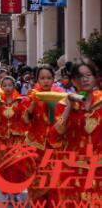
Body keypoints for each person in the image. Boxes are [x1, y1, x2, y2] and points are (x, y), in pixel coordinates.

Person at [50, 59, 102, 203]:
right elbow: (54, 137)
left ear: (95, 77)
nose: (85, 79)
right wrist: (69, 108)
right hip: (72, 168)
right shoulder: (64, 105)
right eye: (80, 76)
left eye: (88, 75)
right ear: (73, 81)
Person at [23, 65, 63, 202]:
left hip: (55, 146)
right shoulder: (31, 95)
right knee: (36, 179)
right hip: (36, 145)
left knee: (54, 180)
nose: (46, 81)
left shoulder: (61, 97)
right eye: (42, 78)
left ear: (53, 79)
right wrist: (33, 103)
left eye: (49, 78)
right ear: (37, 80)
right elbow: (25, 120)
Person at [0, 76, 29, 201]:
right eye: (5, 85)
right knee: (4, 164)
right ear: (1, 87)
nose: (7, 88)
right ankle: (6, 190)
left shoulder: (20, 101)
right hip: (1, 138)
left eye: (10, 85)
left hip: (17, 136)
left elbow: (25, 119)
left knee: (17, 163)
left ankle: (16, 190)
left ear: (14, 86)